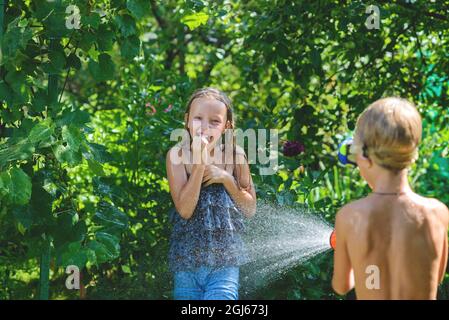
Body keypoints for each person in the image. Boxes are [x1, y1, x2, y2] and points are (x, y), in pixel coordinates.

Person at [332, 97, 449, 299]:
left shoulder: (351, 217)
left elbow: (342, 285)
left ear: (366, 157)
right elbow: (435, 277)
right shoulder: (437, 213)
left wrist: (351, 248)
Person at [166, 87, 256, 300]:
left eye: (214, 121)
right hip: (187, 261)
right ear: (187, 121)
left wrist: (226, 178)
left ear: (226, 126)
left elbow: (250, 209)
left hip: (224, 262)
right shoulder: (177, 155)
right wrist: (200, 163)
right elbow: (185, 210)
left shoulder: (235, 156)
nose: (204, 127)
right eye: (198, 118)